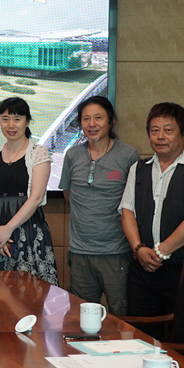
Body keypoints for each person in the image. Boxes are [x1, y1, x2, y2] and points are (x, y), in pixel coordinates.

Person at [120, 102, 184, 338]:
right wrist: (138, 249)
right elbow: (127, 211)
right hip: (142, 269)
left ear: (183, 133)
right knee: (142, 338)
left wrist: (159, 253)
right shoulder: (138, 169)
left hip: (182, 270)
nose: (160, 136)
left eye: (168, 130)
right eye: (155, 130)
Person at [59, 96, 139, 315]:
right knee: (82, 317)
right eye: (86, 119)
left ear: (111, 121)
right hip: (80, 252)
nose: (92, 124)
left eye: (98, 118)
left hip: (116, 252)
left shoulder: (128, 155)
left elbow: (134, 202)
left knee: (122, 316)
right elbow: (68, 195)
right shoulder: (72, 155)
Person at [0, 97, 58, 285]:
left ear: (27, 121)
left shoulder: (38, 153)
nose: (11, 125)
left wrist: (8, 229)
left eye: (17, 119)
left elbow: (36, 198)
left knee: (31, 292)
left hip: (28, 230)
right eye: (5, 119)